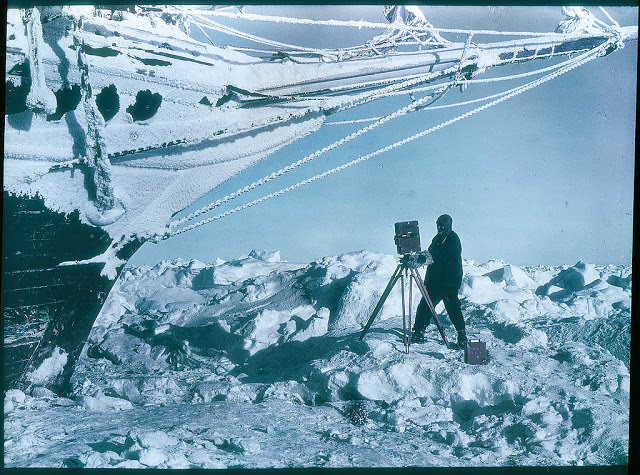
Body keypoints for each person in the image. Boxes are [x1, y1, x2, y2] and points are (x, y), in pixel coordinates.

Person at [412, 214, 467, 347]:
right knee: (425, 306)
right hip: (435, 281)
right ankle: (419, 331)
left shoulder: (453, 239)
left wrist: (423, 258)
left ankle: (462, 334)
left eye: (442, 225)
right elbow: (432, 254)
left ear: (448, 226)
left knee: (453, 308)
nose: (440, 227)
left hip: (449, 281)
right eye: (438, 225)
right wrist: (420, 258)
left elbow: (441, 254)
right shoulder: (437, 238)